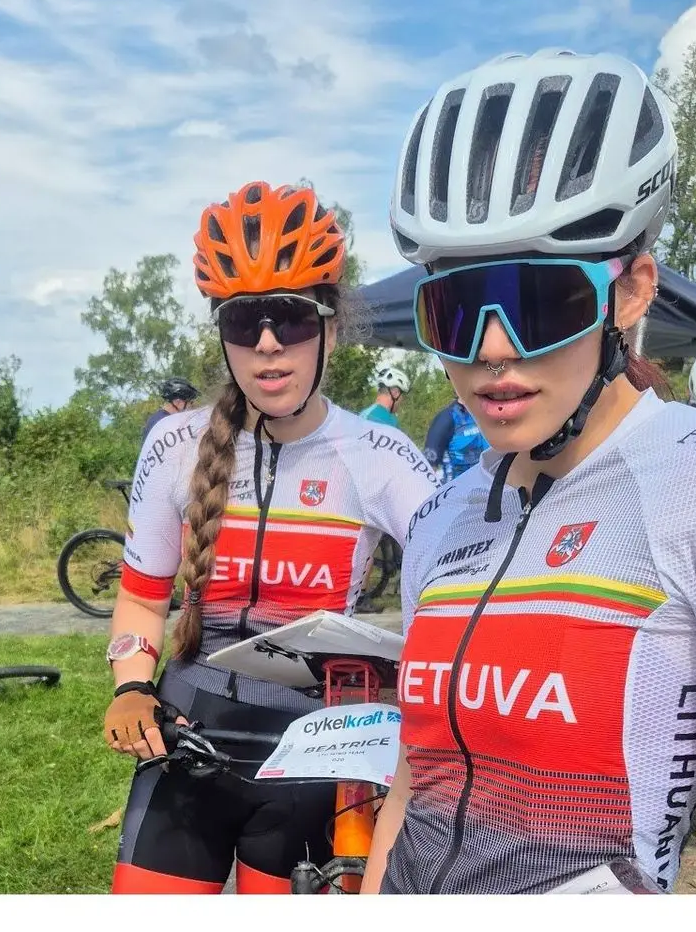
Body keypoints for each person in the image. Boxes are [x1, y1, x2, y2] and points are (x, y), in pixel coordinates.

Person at [365, 49, 696, 895]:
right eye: (454, 310)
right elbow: (411, 785)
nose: (493, 348)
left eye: (540, 302)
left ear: (631, 292)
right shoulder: (442, 516)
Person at [103, 182, 435, 893]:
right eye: (243, 320)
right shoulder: (174, 446)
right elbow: (139, 598)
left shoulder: (379, 458)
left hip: (312, 759)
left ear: (332, 329)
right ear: (222, 334)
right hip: (186, 735)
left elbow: (457, 597)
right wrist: (132, 687)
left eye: (291, 318)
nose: (267, 343)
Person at [420, 396, 484, 485]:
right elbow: (428, 467)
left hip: (491, 488)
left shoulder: (486, 412)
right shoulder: (445, 419)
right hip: (458, 491)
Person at [140, 378, 201, 442]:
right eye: (190, 402)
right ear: (178, 402)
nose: (192, 407)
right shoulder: (167, 423)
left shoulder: (157, 418)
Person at [362, 356, 410, 428]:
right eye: (402, 396)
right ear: (395, 393)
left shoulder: (365, 413)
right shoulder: (390, 421)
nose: (402, 401)